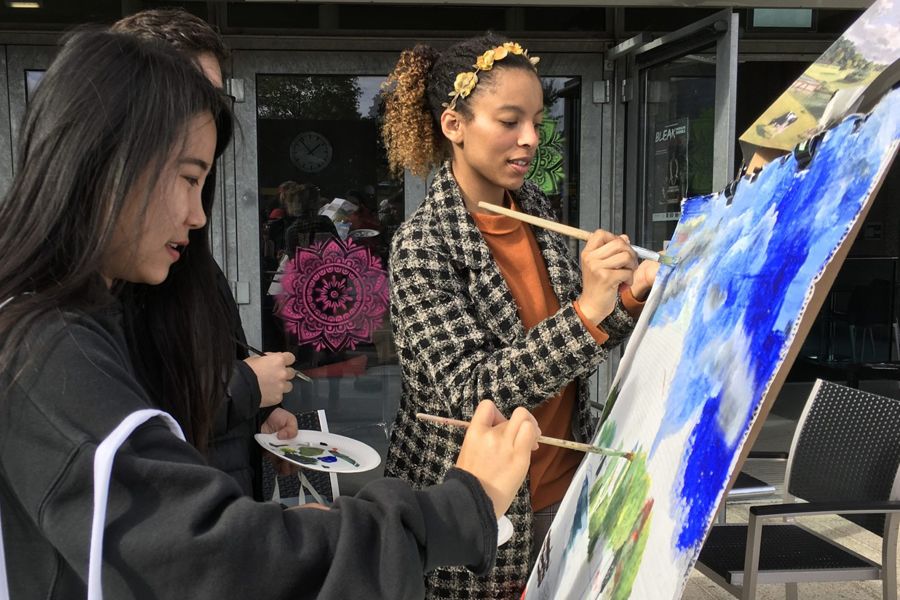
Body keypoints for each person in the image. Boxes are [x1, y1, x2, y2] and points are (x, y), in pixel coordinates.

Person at [0, 30, 540, 599]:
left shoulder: (89, 318)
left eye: (203, 184)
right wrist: (461, 503)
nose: (195, 215)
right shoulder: (45, 350)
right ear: (107, 160)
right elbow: (212, 558)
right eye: (188, 177)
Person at [380, 34, 658, 598]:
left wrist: (626, 298)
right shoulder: (422, 245)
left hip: (566, 484)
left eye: (536, 119)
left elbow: (576, 346)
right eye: (509, 120)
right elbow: (470, 391)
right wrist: (586, 310)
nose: (530, 138)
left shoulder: (536, 213)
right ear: (454, 124)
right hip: (478, 507)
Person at [111, 9, 298, 499]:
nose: (194, 216)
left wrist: (260, 413)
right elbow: (132, 421)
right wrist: (247, 386)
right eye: (184, 179)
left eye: (216, 100)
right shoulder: (80, 293)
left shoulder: (186, 253)